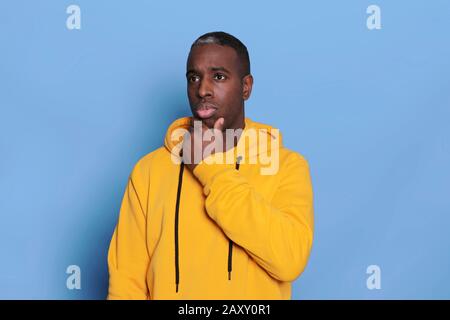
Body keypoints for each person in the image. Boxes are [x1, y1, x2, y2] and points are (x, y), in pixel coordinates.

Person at [107, 31, 314, 300]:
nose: (202, 89)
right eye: (194, 78)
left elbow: (289, 259)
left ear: (246, 87)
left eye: (218, 76)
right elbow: (126, 284)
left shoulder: (285, 165)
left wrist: (210, 168)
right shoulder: (149, 170)